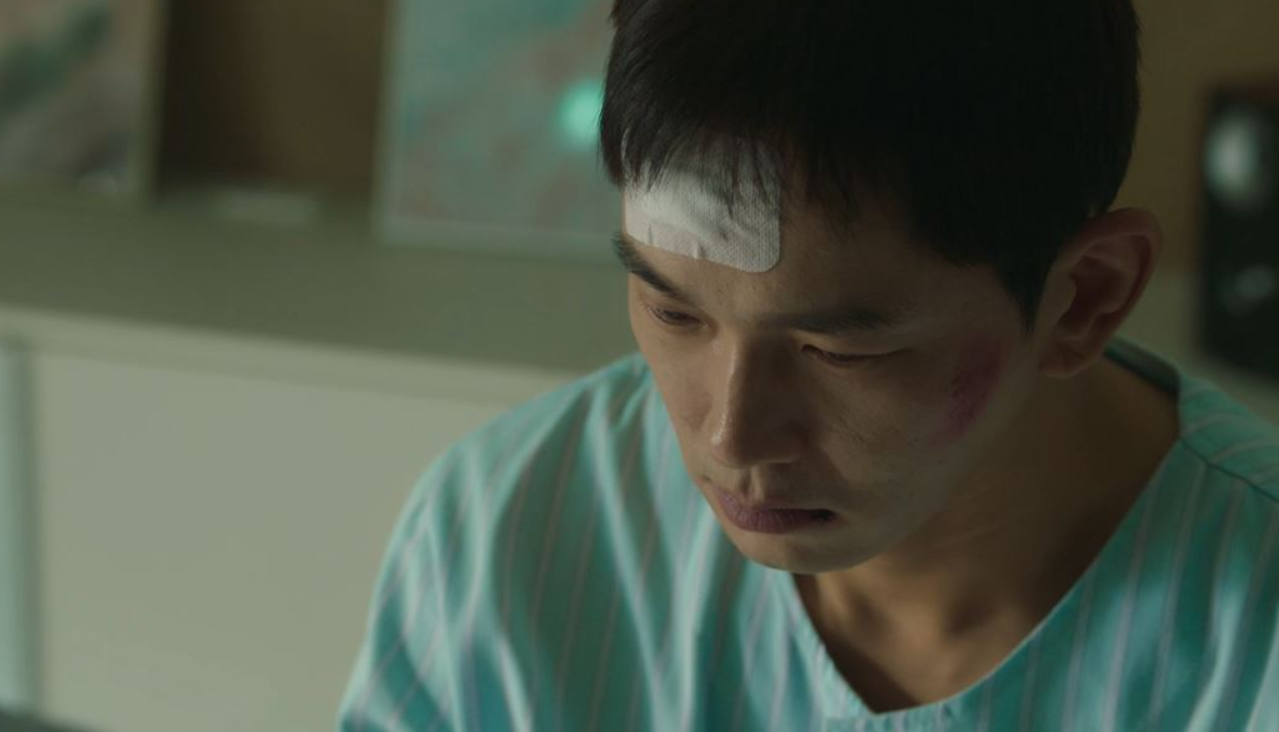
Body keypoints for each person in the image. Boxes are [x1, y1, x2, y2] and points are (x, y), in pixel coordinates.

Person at [338, 1, 1279, 729]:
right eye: (673, 311)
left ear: (1085, 299)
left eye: (839, 352)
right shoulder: (505, 535)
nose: (729, 437)